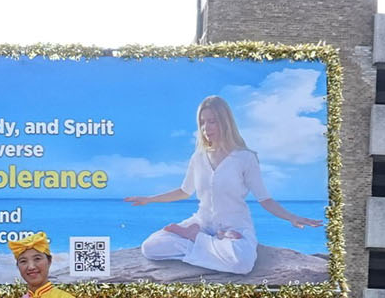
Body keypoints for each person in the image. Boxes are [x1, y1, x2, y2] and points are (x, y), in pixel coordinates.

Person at [126, 95, 322, 275]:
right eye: (202, 122)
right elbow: (184, 191)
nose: (206, 128)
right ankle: (207, 240)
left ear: (225, 122)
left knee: (242, 263)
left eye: (212, 121)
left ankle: (201, 240)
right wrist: (149, 199)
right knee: (151, 247)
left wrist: (292, 217)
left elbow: (265, 199)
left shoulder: (245, 158)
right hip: (202, 224)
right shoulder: (198, 157)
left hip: (235, 226)